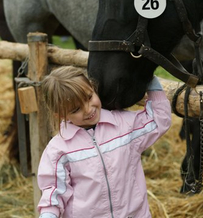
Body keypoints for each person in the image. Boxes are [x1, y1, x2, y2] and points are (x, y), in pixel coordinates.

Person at [37, 65, 172, 218]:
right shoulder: (58, 149)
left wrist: (148, 78)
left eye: (89, 97)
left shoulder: (124, 126)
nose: (88, 110)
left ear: (93, 88)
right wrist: (48, 215)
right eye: (76, 109)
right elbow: (54, 190)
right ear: (61, 115)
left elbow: (158, 121)